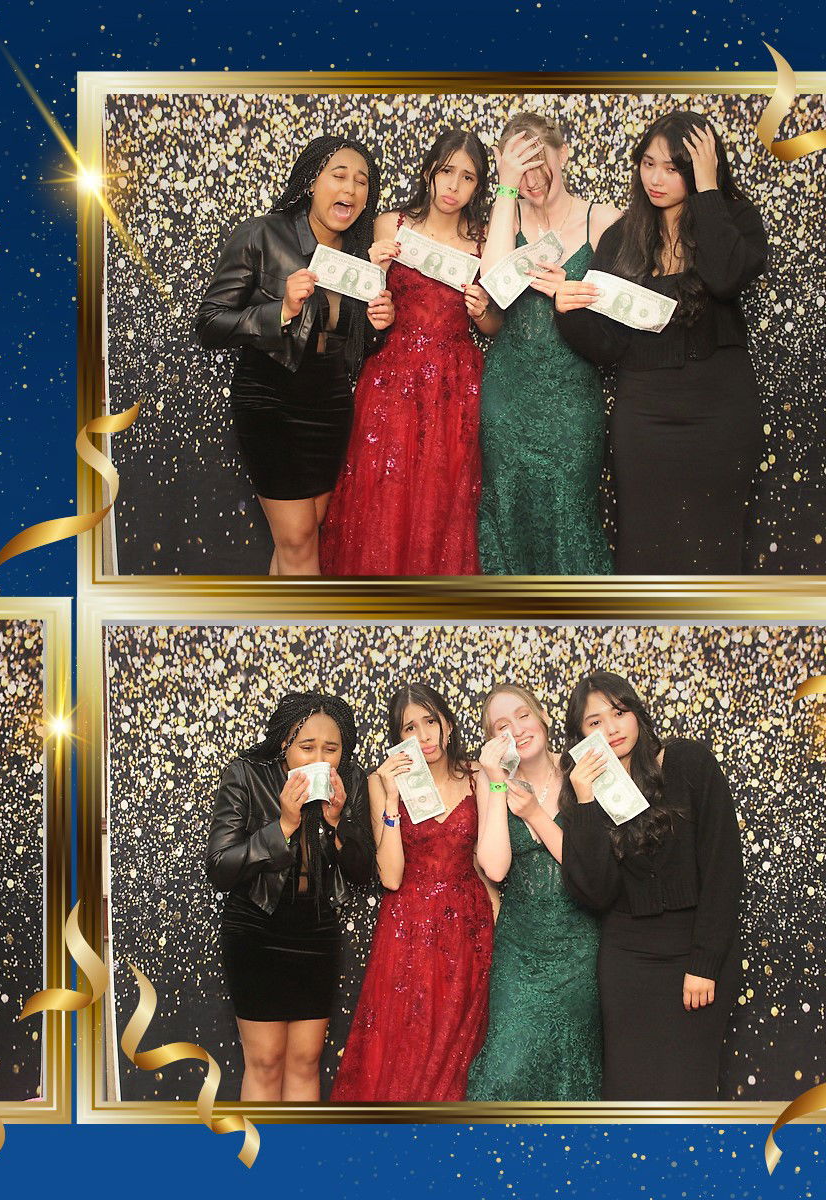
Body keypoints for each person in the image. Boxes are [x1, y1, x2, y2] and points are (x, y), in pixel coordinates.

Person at [552, 111, 769, 573]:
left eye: (672, 168)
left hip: (721, 414)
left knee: (715, 556)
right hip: (644, 417)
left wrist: (707, 190)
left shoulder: (736, 220)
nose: (655, 178)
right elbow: (607, 346)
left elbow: (725, 278)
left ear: (699, 167)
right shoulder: (621, 237)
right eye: (648, 164)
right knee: (645, 553)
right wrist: (568, 311)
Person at [197, 135, 389, 575]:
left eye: (361, 181)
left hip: (330, 404)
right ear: (311, 181)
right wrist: (280, 311)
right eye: (338, 175)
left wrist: (379, 323)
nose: (350, 188)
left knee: (300, 537)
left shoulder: (359, 254)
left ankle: (273, 618)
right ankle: (310, 621)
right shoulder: (262, 233)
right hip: (271, 399)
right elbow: (209, 324)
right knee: (299, 539)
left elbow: (353, 343)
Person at [320, 129, 500, 577]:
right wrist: (374, 271)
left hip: (454, 386)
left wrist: (481, 311)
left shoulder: (484, 241)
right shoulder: (390, 225)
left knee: (440, 499)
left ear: (478, 187)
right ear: (428, 172)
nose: (454, 185)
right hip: (393, 378)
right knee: (384, 493)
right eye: (447, 171)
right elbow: (363, 309)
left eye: (468, 177)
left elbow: (495, 326)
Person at [558, 670, 745, 1099]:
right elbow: (595, 892)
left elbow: (724, 869)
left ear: (637, 714)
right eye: (595, 722)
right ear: (581, 736)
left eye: (619, 712)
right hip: (628, 963)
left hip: (695, 954)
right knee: (628, 1091)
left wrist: (704, 963)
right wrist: (586, 801)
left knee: (689, 1092)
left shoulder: (689, 762)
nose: (612, 728)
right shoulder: (583, 793)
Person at [332, 683, 508, 1101]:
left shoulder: (477, 774)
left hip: (468, 928)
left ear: (447, 724)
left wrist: (500, 926)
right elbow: (391, 876)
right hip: (408, 928)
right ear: (398, 738)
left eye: (430, 721)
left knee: (460, 1052)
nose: (424, 735)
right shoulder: (381, 782)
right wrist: (392, 800)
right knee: (405, 1050)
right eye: (409, 727)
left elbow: (486, 865)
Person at [205, 692, 373, 1101]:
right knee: (264, 1061)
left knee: (305, 1061)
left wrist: (337, 822)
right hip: (256, 928)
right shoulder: (247, 774)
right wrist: (282, 825)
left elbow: (362, 871)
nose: (320, 758)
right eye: (307, 747)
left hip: (316, 932)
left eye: (331, 749)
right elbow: (221, 867)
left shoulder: (351, 780)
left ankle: (300, 1144)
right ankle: (259, 1144)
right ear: (285, 743)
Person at [476, 113, 621, 575]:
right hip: (508, 395)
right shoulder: (508, 215)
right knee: (507, 511)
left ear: (564, 154)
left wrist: (572, 294)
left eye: (540, 164)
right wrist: (506, 188)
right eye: (520, 170)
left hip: (573, 395)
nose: (533, 180)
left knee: (569, 514)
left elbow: (624, 316)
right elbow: (496, 286)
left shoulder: (604, 220)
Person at [464, 684, 602, 1101]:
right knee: (505, 1071)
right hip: (520, 949)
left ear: (542, 715)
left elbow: (593, 869)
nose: (517, 730)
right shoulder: (493, 781)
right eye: (501, 726)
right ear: (492, 740)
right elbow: (495, 867)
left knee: (570, 1069)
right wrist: (496, 784)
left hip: (580, 945)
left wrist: (536, 813)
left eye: (523, 715)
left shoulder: (580, 771)